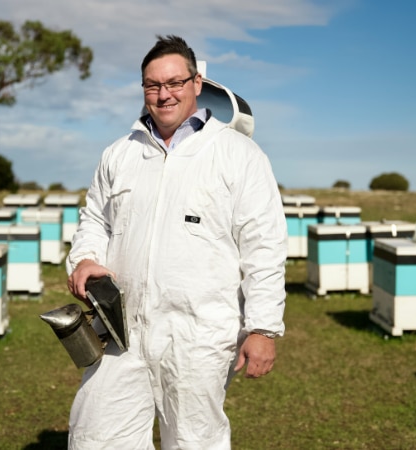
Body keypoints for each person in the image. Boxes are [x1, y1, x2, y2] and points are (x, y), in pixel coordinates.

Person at [66, 34, 287, 450]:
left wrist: (262, 328)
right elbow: (95, 219)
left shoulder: (238, 154)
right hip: (120, 329)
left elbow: (265, 249)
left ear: (197, 83)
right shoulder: (120, 153)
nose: (163, 94)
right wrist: (85, 259)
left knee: (193, 442)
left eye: (174, 83)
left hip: (198, 334)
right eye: (153, 85)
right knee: (95, 438)